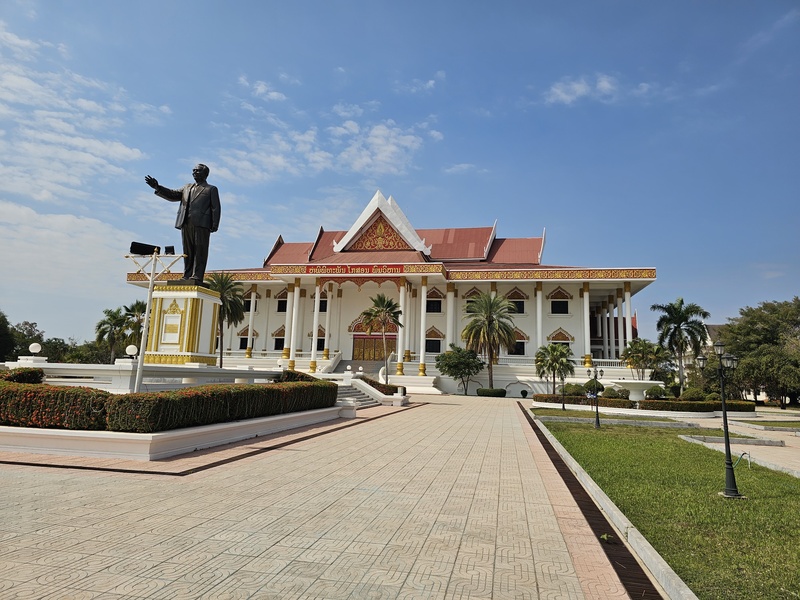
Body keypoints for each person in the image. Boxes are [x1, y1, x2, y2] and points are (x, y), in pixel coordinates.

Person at [145, 164, 221, 285]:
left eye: (197, 171)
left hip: (202, 224)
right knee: (188, 251)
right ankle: (187, 275)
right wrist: (157, 187)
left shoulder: (211, 189)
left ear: (205, 174)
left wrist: (215, 224)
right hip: (186, 222)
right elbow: (172, 194)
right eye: (193, 170)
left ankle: (197, 276)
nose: (194, 172)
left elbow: (216, 208)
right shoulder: (187, 187)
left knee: (200, 251)